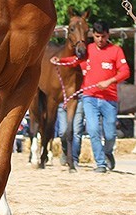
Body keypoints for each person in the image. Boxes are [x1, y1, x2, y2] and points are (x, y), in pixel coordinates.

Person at [52, 20, 130, 173]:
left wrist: (110, 81)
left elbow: (125, 71)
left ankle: (108, 152)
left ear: (108, 35)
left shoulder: (116, 50)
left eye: (103, 36)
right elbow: (75, 61)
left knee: (110, 134)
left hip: (109, 99)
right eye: (97, 36)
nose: (100, 40)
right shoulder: (88, 50)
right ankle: (100, 163)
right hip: (90, 97)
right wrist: (60, 60)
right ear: (92, 35)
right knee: (93, 130)